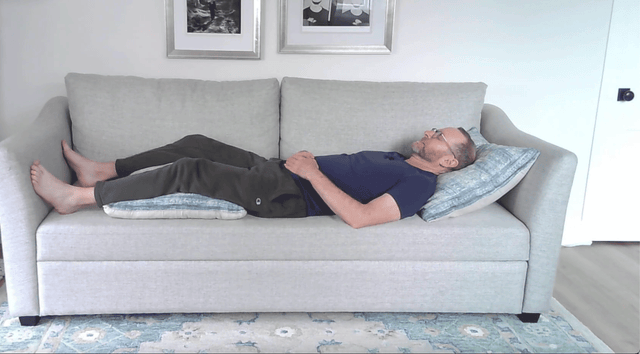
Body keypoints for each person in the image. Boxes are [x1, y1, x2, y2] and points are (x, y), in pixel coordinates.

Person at [30, 128, 476, 229]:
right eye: (434, 129)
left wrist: (311, 171)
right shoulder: (397, 158)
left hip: (286, 194)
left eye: (441, 137)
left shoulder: (421, 185)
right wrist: (297, 162)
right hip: (279, 169)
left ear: (449, 163)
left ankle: (80, 197)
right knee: (198, 143)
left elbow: (359, 218)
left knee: (192, 171)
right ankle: (102, 169)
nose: (430, 133)